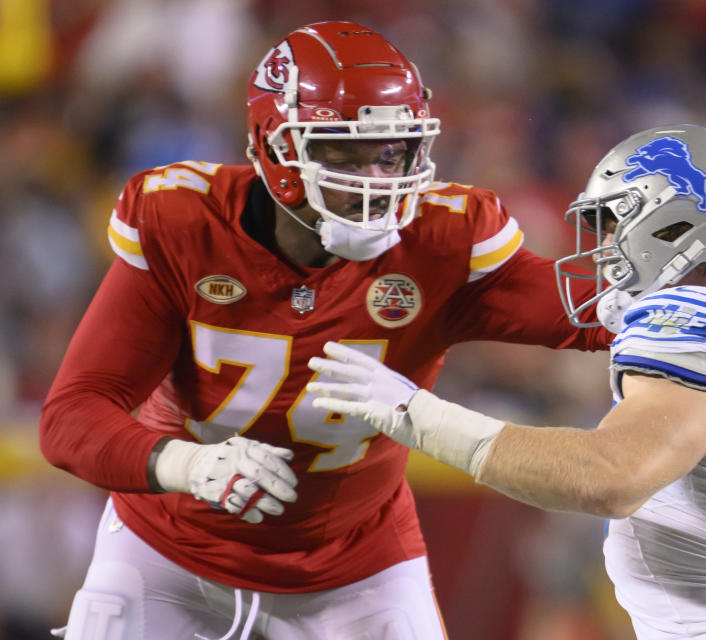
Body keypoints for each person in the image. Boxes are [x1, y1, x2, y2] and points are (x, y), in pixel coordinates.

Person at [38, 21, 611, 640]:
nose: (375, 177)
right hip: (168, 552)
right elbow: (72, 416)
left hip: (358, 568)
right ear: (276, 147)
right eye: (342, 149)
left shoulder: (441, 240)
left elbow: (594, 312)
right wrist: (188, 465)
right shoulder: (184, 224)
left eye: (392, 151)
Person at [308, 124, 706, 639]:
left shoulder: (691, 324)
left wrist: (416, 414)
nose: (603, 249)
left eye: (615, 225)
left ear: (678, 225)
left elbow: (610, 477)